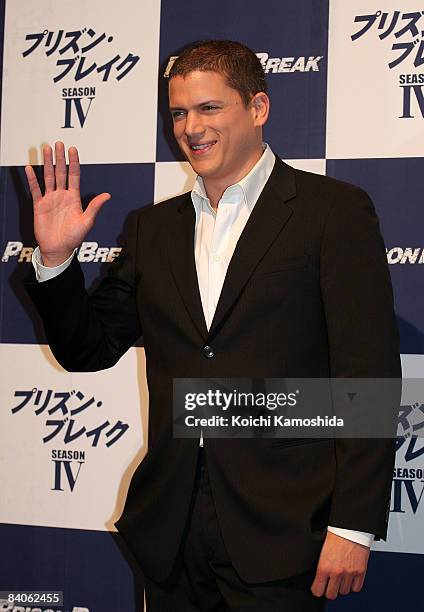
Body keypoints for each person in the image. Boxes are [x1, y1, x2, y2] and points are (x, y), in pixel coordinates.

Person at [24, 40, 401, 611]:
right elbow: (88, 349)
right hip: (171, 530)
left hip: (282, 530)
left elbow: (367, 375)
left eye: (208, 108)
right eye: (178, 112)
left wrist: (352, 526)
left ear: (258, 108)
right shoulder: (152, 229)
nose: (190, 127)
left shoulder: (333, 211)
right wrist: (55, 263)